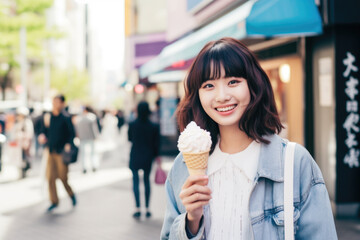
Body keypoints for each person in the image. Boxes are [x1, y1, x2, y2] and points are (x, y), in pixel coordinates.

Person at [161, 38, 337, 239]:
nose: (222, 96)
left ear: (253, 85)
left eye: (233, 82)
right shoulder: (182, 167)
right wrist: (191, 222)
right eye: (209, 85)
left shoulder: (294, 162)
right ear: (198, 95)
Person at [38, 94, 77, 212]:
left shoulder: (66, 117)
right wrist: (42, 136)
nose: (55, 104)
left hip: (61, 153)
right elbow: (43, 131)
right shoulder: (48, 116)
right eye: (54, 102)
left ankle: (71, 194)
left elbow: (72, 134)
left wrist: (68, 144)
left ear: (62, 104)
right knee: (50, 177)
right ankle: (54, 201)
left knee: (63, 177)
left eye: (57, 102)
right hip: (50, 151)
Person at [128, 101, 160, 219]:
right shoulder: (154, 126)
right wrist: (157, 157)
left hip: (135, 155)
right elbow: (156, 144)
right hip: (148, 156)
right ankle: (147, 208)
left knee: (135, 181)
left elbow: (130, 138)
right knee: (146, 181)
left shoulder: (132, 124)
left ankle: (137, 208)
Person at [75, 106, 99, 173]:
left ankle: (84, 167)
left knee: (84, 154)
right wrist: (96, 136)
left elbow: (77, 129)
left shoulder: (79, 118)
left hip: (83, 137)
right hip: (90, 137)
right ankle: (93, 166)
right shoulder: (91, 117)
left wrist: (78, 136)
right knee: (92, 153)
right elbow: (94, 128)